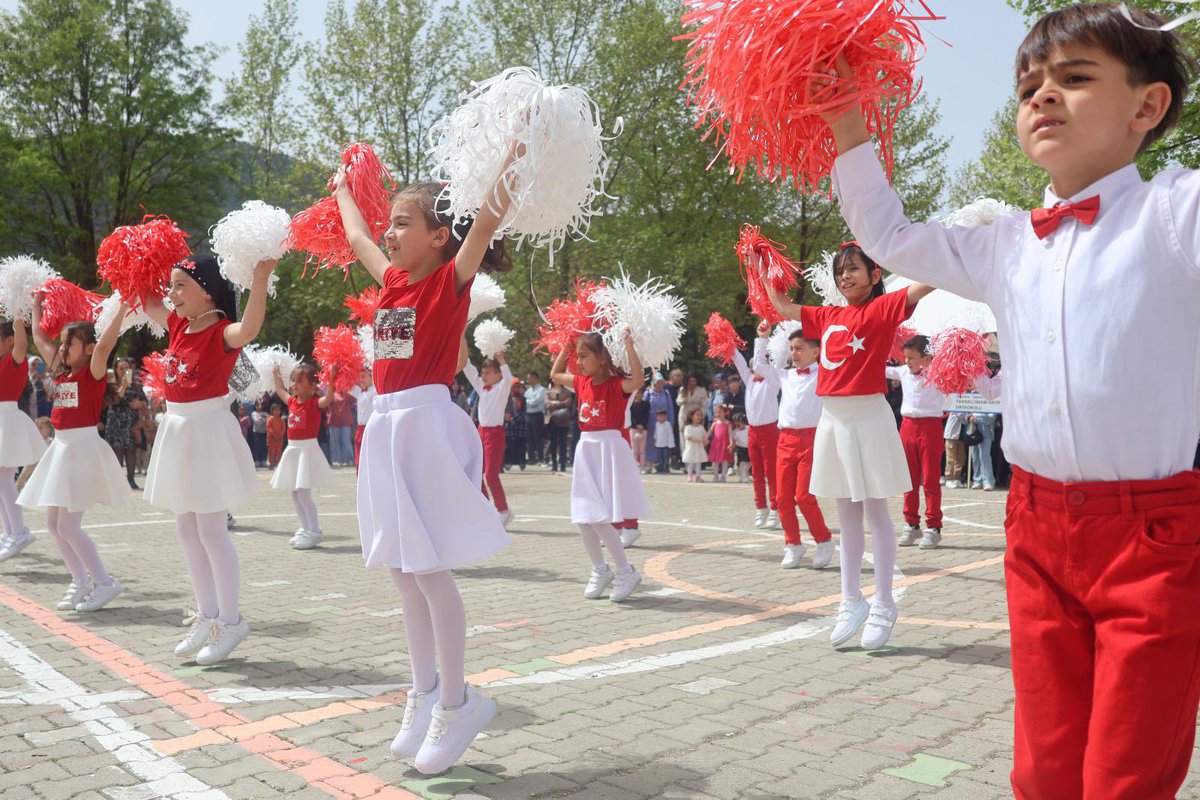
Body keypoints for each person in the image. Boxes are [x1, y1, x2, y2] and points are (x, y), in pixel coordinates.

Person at [824, 5, 1200, 794]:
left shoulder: (1174, 212)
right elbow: (888, 235)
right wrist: (848, 124)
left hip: (1155, 537)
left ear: (1148, 105)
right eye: (1029, 85)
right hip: (1034, 529)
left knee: (1126, 771)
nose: (1042, 97)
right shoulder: (1002, 243)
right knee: (1045, 763)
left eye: (1073, 78)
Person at [335, 161, 513, 774]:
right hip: (384, 427)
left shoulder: (448, 283)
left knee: (430, 570)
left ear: (439, 236)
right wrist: (340, 192)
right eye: (390, 222)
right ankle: (424, 692)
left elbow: (487, 220)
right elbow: (357, 237)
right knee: (402, 571)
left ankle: (459, 702)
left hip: (425, 424)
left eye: (403, 223)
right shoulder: (391, 283)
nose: (389, 233)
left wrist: (512, 154)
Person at [766, 244, 933, 649]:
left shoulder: (882, 309)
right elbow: (783, 305)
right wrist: (763, 264)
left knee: (877, 510)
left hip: (870, 415)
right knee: (845, 511)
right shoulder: (826, 315)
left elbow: (924, 285)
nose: (845, 277)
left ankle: (884, 602)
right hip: (834, 418)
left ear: (874, 275)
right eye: (840, 270)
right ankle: (850, 599)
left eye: (854, 269)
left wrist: (958, 246)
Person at [140, 255, 275, 665]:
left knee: (212, 530)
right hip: (179, 431)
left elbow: (249, 328)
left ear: (207, 291)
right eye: (171, 285)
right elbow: (146, 300)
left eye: (181, 285)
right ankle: (208, 614)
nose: (172, 294)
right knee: (186, 528)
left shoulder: (220, 332)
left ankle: (231, 620)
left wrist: (259, 278)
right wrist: (137, 259)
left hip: (207, 433)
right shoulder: (179, 324)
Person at [20, 294, 131, 612]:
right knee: (54, 525)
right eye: (64, 343)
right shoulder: (62, 372)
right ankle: (81, 582)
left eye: (71, 343)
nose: (64, 348)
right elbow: (39, 337)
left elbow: (107, 345)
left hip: (82, 449)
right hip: (62, 447)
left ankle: (105, 583)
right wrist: (36, 305)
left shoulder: (92, 371)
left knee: (68, 526)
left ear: (88, 348)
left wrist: (121, 308)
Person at [549, 331, 648, 603]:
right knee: (583, 516)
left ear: (602, 358)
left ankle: (626, 571)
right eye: (577, 356)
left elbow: (638, 380)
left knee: (599, 517)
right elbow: (555, 375)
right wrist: (566, 348)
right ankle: (600, 569)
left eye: (583, 356)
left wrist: (629, 343)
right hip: (586, 450)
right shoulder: (581, 382)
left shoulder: (617, 385)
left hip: (608, 450)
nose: (578, 362)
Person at [752, 324, 834, 570]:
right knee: (782, 498)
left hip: (812, 440)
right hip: (785, 440)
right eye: (791, 349)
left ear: (816, 352)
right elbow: (758, 366)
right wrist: (762, 338)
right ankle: (793, 544)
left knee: (805, 496)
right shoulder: (784, 375)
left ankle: (823, 539)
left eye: (800, 348)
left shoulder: (823, 373)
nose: (794, 354)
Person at [886, 335, 946, 549]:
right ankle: (911, 524)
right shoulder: (903, 372)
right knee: (907, 480)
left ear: (927, 358)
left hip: (930, 428)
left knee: (930, 479)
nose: (908, 362)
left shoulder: (938, 374)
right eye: (906, 357)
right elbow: (880, 367)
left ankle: (934, 526)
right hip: (907, 428)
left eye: (912, 358)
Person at [270, 364, 338, 550]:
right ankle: (305, 527)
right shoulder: (292, 402)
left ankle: (315, 530)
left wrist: (332, 378)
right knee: (294, 493)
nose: (296, 384)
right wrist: (276, 374)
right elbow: (280, 390)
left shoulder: (314, 403)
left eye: (301, 381)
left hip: (307, 450)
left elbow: (329, 398)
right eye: (294, 381)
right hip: (293, 450)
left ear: (313, 386)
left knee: (303, 493)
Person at [0, 319, 47, 561]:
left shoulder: (14, 359)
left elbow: (21, 342)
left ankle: (17, 531)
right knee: (1, 479)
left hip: (7, 418)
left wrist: (17, 313)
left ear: (8, 341)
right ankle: (10, 532)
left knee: (5, 477)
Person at [731, 327, 781, 528]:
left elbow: (775, 360)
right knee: (757, 473)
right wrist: (729, 344)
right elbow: (739, 362)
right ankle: (761, 508)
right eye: (753, 365)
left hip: (770, 431)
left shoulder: (773, 381)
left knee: (772, 472)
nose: (755, 367)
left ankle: (776, 509)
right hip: (753, 432)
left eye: (759, 364)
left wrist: (765, 338)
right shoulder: (749, 379)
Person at [461, 348, 514, 527]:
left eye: (488, 373)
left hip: (495, 434)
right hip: (481, 432)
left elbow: (508, 379)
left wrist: (502, 361)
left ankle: (503, 511)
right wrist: (462, 345)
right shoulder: (481, 388)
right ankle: (486, 511)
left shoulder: (501, 389)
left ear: (498, 375)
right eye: (483, 372)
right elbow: (468, 369)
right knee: (476, 473)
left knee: (491, 475)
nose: (484, 376)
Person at [103, 358, 146, 490]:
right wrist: (124, 385)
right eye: (121, 368)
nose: (124, 371)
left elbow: (144, 400)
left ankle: (131, 479)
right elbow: (114, 400)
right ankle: (117, 480)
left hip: (130, 422)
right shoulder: (111, 382)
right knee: (117, 450)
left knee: (131, 450)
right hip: (116, 421)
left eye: (127, 368)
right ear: (116, 369)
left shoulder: (137, 384)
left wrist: (140, 404)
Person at [349, 367, 376, 471]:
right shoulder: (359, 392)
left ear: (371, 376)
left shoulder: (375, 391)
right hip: (360, 430)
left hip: (371, 429)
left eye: (363, 376)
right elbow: (346, 386)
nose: (361, 379)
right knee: (359, 461)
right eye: (359, 377)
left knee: (370, 458)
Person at [545, 381, 573, 473]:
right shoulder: (549, 391)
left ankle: (563, 465)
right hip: (552, 420)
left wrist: (556, 403)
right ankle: (554, 464)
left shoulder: (567, 391)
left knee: (563, 444)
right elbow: (547, 404)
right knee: (553, 443)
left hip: (563, 421)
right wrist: (561, 403)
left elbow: (568, 403)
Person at [675, 373, 707, 454]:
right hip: (685, 413)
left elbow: (705, 404)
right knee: (684, 435)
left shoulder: (701, 390)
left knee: (697, 434)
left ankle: (698, 456)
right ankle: (685, 457)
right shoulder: (683, 389)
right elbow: (678, 402)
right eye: (690, 381)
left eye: (694, 381)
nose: (692, 383)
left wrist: (701, 414)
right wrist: (685, 395)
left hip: (697, 413)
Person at [327, 388, 356, 467]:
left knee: (346, 441)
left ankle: (349, 460)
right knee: (335, 442)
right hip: (334, 422)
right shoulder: (332, 394)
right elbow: (326, 404)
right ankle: (336, 460)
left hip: (345, 422)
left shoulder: (348, 394)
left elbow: (355, 400)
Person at [524, 370, 546, 464]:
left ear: (535, 378)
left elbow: (534, 402)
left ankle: (541, 458)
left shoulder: (542, 390)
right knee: (529, 438)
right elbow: (525, 400)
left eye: (530, 378)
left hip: (537, 415)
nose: (528, 380)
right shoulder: (528, 390)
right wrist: (528, 401)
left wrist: (528, 401)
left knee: (538, 437)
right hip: (528, 415)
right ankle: (531, 458)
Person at [705, 404, 732, 482]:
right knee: (715, 461)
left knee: (725, 460)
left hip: (724, 445)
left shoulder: (728, 423)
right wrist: (705, 438)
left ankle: (723, 476)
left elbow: (730, 435)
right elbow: (709, 432)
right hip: (716, 444)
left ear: (725, 413)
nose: (718, 414)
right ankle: (715, 475)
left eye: (720, 412)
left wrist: (731, 444)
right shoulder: (715, 422)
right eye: (716, 412)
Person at [943, 412, 968, 489]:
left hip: (961, 436)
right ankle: (949, 478)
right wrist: (969, 416)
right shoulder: (957, 404)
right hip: (952, 434)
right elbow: (962, 417)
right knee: (951, 458)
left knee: (961, 458)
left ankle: (957, 478)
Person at [681, 408, 707, 482]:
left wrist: (706, 440)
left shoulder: (701, 427)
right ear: (691, 416)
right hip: (691, 448)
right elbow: (688, 438)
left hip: (699, 448)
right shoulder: (688, 427)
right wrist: (699, 441)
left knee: (698, 462)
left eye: (700, 415)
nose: (699, 417)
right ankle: (689, 476)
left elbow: (705, 436)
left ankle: (698, 476)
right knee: (691, 462)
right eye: (697, 415)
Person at [731, 413, 750, 483]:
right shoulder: (735, 432)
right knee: (742, 463)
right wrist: (732, 447)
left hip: (749, 448)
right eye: (735, 422)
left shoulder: (748, 428)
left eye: (739, 421)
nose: (737, 423)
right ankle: (741, 476)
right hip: (740, 448)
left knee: (749, 463)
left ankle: (746, 474)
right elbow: (733, 441)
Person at [266, 402, 285, 469]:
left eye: (278, 410)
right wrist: (274, 435)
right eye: (275, 410)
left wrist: (279, 436)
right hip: (271, 439)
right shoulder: (270, 419)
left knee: (279, 452)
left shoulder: (281, 420)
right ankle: (271, 464)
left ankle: (279, 464)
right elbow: (268, 428)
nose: (277, 412)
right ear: (272, 411)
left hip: (279, 439)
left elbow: (283, 429)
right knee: (271, 452)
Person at [250, 399, 268, 468]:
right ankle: (256, 460)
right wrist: (263, 419)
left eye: (260, 405)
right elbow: (256, 420)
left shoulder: (265, 413)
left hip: (264, 432)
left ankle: (263, 460)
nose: (259, 407)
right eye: (258, 405)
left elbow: (268, 419)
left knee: (263, 447)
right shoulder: (254, 413)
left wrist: (261, 419)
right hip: (256, 432)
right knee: (256, 447)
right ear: (256, 406)